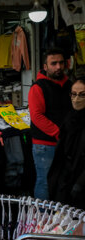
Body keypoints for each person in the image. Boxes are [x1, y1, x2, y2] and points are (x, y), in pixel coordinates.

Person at [28, 48, 72, 200]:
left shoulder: (71, 86)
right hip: (45, 145)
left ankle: (61, 219)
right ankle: (42, 218)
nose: (58, 67)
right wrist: (59, 133)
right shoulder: (38, 87)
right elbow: (36, 117)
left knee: (64, 181)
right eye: (53, 63)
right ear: (45, 67)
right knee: (45, 182)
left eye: (61, 63)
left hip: (67, 142)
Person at [48, 78, 85, 210]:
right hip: (65, 178)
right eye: (73, 94)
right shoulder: (69, 118)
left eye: (82, 94)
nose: (76, 99)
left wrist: (80, 184)